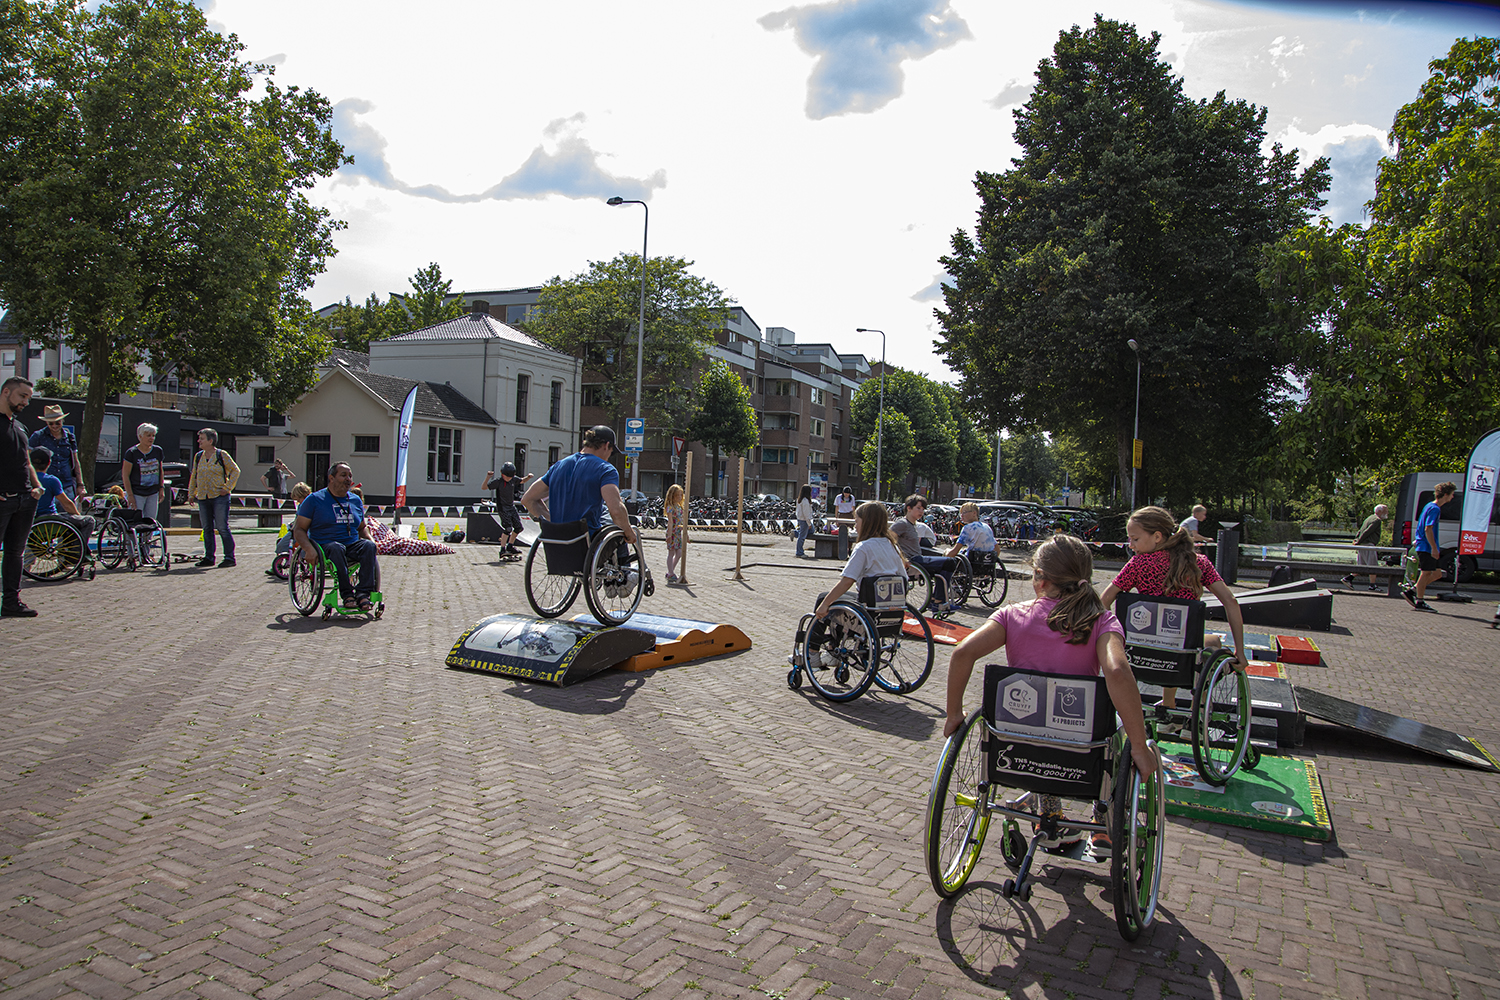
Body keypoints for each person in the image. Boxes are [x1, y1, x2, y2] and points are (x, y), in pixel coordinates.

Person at [944, 534, 1156, 855]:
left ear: (1040, 578)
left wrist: (953, 714)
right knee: (1112, 733)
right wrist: (1138, 746)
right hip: (1080, 749)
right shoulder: (1100, 620)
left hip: (1016, 749)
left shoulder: (1012, 615)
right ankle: (1103, 821)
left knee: (1036, 729)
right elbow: (1116, 671)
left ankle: (1050, 814)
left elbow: (962, 653)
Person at [1100, 506, 1247, 722]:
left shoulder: (1137, 565)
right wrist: (1240, 651)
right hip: (1182, 658)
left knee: (1164, 640)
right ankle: (1197, 713)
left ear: (1157, 536)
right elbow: (1231, 602)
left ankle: (1168, 704)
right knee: (1209, 643)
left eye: (1135, 539)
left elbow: (1103, 602)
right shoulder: (1199, 563)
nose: (1131, 545)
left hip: (1141, 655)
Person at [520, 425, 637, 545]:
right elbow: (616, 510)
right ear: (606, 446)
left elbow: (527, 499)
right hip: (587, 543)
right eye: (610, 453)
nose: (608, 458)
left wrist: (553, 521)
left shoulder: (558, 466)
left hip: (555, 543)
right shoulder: (605, 469)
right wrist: (628, 532)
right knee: (615, 524)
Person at [293, 463, 380, 611]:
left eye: (350, 476)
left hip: (350, 545)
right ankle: (347, 594)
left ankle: (363, 593)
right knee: (336, 548)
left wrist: (372, 540)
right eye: (343, 475)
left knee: (368, 546)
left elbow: (362, 528)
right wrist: (308, 549)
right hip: (324, 546)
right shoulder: (314, 500)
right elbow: (299, 529)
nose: (348, 479)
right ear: (331, 478)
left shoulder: (355, 500)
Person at [812, 500, 910, 620]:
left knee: (823, 598)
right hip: (890, 607)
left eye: (856, 521)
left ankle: (815, 631)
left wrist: (825, 604)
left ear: (866, 523)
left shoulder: (863, 547)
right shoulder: (892, 545)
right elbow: (904, 578)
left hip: (869, 607)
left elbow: (847, 581)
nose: (855, 526)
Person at [0, 377, 45, 617]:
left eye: (28, 397)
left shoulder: (19, 426)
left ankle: (11, 602)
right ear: (6, 392)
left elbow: (26, 461)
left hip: (25, 499)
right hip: (3, 499)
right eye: (22, 396)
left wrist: (37, 487)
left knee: (15, 553)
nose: (26, 402)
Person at [186, 427, 240, 568]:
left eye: (202, 439)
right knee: (207, 528)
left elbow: (235, 471)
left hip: (219, 497)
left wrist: (227, 488)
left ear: (210, 441)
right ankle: (209, 557)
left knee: (222, 527)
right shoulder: (198, 456)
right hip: (203, 497)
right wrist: (191, 493)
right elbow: (194, 475)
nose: (199, 441)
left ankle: (229, 557)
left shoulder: (221, 455)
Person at [893, 495, 957, 609]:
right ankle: (938, 600)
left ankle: (937, 599)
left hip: (918, 557)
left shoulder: (913, 525)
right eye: (918, 508)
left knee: (947, 565)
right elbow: (889, 540)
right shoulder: (902, 523)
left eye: (923, 509)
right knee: (950, 562)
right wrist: (901, 559)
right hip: (912, 560)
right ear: (909, 508)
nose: (921, 511)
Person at [29, 447, 94, 557]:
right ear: (49, 463)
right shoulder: (51, 480)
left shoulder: (26, 480)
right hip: (51, 522)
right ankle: (76, 554)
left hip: (33, 523)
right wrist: (77, 516)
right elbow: (67, 504)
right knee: (88, 521)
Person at [1405, 483, 1455, 612]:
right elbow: (1428, 528)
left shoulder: (1429, 506)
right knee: (1426, 573)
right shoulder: (1435, 509)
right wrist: (1433, 548)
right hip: (1426, 546)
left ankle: (1413, 590)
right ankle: (1420, 602)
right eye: (1452, 494)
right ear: (1446, 494)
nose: (1453, 497)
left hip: (1425, 545)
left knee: (1437, 574)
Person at [29, 405, 85, 500]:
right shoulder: (38, 436)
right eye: (51, 423)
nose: (54, 426)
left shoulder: (70, 437)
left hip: (66, 485)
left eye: (57, 422)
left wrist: (80, 485)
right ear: (46, 422)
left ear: (62, 420)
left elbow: (76, 461)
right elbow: (28, 460)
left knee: (68, 508)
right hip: (45, 485)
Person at [481, 462, 533, 556]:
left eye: (510, 477)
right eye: (507, 477)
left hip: (511, 507)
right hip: (502, 508)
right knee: (508, 528)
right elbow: (484, 487)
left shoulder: (513, 479)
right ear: (502, 474)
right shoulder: (498, 481)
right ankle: (502, 549)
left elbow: (522, 481)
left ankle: (510, 546)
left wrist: (528, 477)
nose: (508, 479)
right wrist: (488, 477)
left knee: (518, 528)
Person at [121, 422, 167, 523]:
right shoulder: (132, 453)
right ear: (140, 436)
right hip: (137, 492)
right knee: (135, 520)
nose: (151, 438)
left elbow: (160, 470)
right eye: (148, 436)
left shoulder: (158, 450)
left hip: (153, 492)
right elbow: (125, 475)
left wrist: (161, 488)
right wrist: (130, 495)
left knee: (151, 521)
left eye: (153, 436)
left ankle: (148, 534)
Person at [267, 482, 314, 576]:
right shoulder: (300, 505)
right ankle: (278, 566)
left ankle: (307, 567)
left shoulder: (311, 504)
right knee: (281, 543)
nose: (298, 501)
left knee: (305, 547)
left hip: (306, 531)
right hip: (296, 530)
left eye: (299, 499)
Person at [1343, 504, 1389, 591]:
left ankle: (1348, 578)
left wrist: (1356, 539)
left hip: (1363, 545)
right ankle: (1372, 586)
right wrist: (1359, 541)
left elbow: (1361, 530)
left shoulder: (1369, 518)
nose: (1387, 513)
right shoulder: (1377, 520)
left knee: (1362, 566)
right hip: (1368, 545)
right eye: (1385, 511)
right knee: (1373, 566)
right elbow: (1367, 532)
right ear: (1379, 511)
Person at [663, 482, 687, 584]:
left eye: (680, 495)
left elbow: (682, 521)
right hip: (672, 533)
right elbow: (670, 522)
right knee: (671, 552)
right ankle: (671, 572)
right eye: (677, 495)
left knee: (679, 553)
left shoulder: (680, 507)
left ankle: (670, 571)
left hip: (678, 533)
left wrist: (686, 534)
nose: (679, 497)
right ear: (672, 496)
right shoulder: (670, 507)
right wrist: (669, 535)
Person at [795, 485, 815, 558]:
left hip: (800, 518)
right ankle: (799, 552)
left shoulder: (799, 499)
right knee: (802, 537)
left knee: (811, 530)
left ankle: (795, 532)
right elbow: (806, 513)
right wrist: (809, 523)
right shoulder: (805, 501)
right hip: (804, 520)